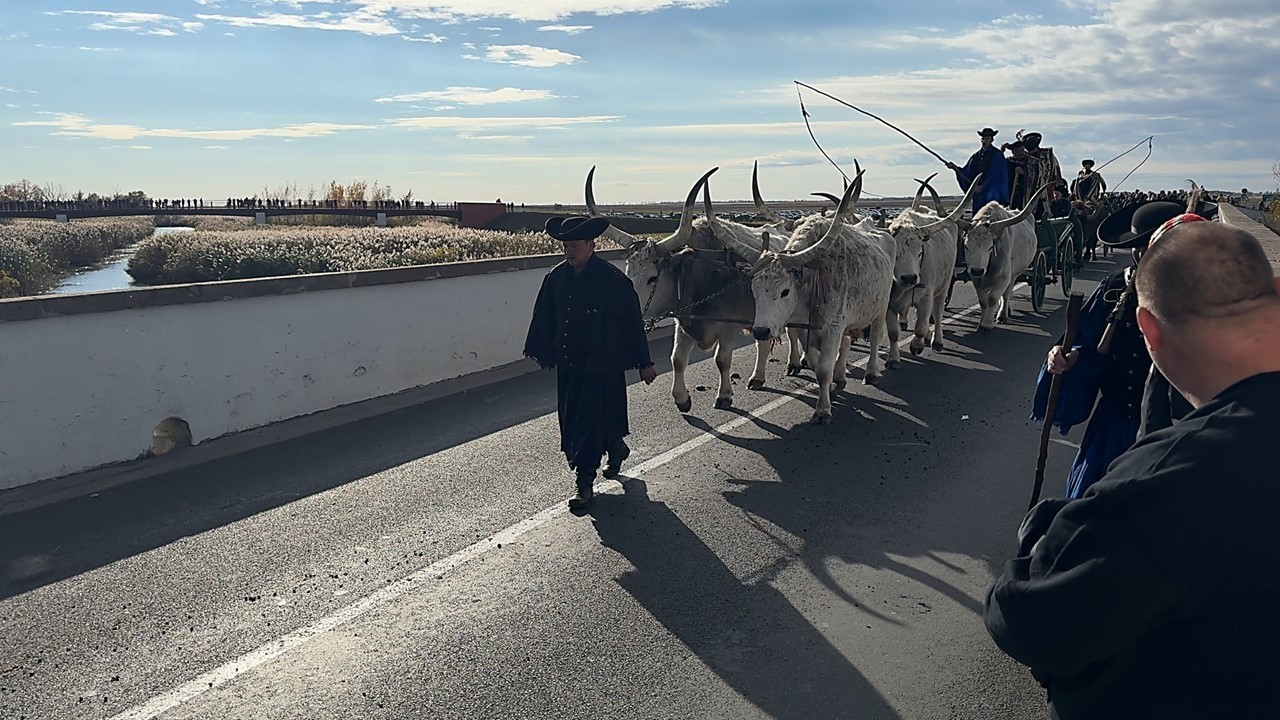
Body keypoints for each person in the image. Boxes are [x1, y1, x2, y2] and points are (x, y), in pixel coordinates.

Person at [986, 218, 1280, 720]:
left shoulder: (1165, 486)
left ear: (1151, 329)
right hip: (1129, 427)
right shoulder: (1110, 295)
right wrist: (1066, 360)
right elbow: (1093, 359)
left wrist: (1043, 533)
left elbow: (1033, 619)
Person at [1030, 197, 1216, 499]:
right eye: (1138, 246)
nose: (1142, 254)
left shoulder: (1206, 299)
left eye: (1150, 246)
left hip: (1177, 433)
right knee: (1086, 512)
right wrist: (1067, 356)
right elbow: (1084, 340)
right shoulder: (1115, 289)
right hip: (1114, 427)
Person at [523, 215, 658, 511]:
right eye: (565, 247)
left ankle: (584, 484)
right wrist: (545, 349)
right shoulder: (556, 278)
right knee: (577, 422)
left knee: (593, 420)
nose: (569, 252)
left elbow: (631, 325)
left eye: (574, 246)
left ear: (590, 245)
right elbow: (545, 317)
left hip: (603, 366)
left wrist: (644, 362)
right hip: (571, 366)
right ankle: (616, 447)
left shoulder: (614, 281)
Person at [946, 127, 1010, 214]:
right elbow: (967, 171)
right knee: (978, 214)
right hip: (979, 193)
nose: (984, 141)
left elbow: (995, 174)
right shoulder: (976, 156)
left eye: (987, 139)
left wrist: (983, 186)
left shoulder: (997, 155)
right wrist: (955, 168)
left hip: (992, 190)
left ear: (992, 140)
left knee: (992, 213)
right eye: (983, 139)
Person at [1019, 131, 1063, 218]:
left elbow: (1055, 174)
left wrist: (1057, 190)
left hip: (1045, 192)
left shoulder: (1048, 156)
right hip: (1026, 193)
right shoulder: (1024, 158)